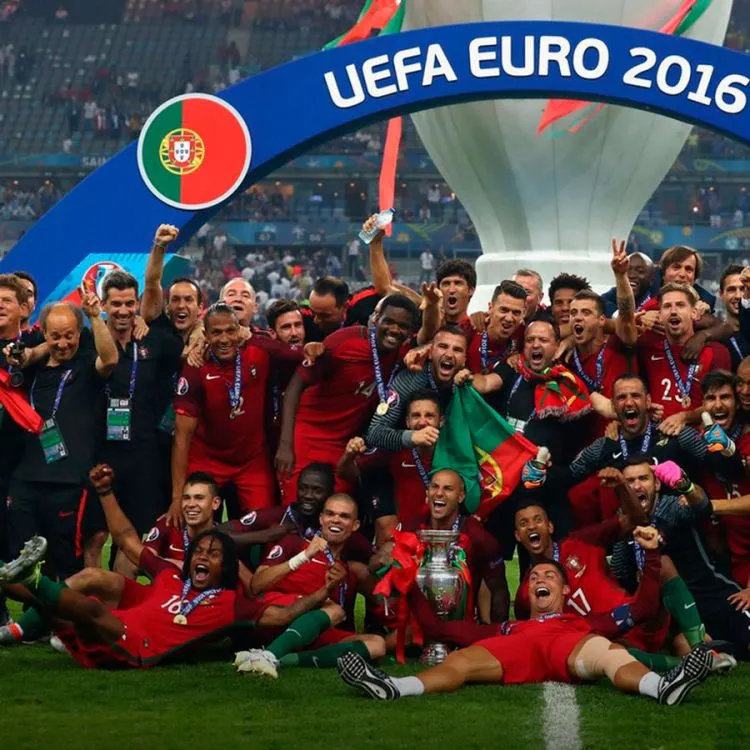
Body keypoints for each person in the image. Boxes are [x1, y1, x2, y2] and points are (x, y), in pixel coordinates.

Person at [0, 480, 345, 669]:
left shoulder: (229, 603)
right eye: (199, 552)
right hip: (111, 630)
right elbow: (129, 542)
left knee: (90, 607)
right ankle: (14, 579)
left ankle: (31, 580)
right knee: (51, 602)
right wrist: (105, 492)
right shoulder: (170, 576)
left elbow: (281, 614)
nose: (202, 557)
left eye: (212, 555)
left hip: (135, 648)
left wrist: (322, 593)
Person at [337, 540, 714, 706]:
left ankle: (661, 688)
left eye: (549, 576)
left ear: (565, 590)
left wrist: (651, 556)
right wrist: (410, 586)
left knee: (607, 652)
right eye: (533, 577)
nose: (539, 580)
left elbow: (644, 608)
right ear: (526, 593)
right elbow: (438, 631)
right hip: (515, 647)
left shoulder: (584, 620)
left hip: (568, 642)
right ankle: (394, 688)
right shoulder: (507, 627)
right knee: (461, 661)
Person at [5, 296, 117, 580]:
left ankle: (64, 623)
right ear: (44, 333)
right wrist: (28, 355)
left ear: (79, 334)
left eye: (70, 335)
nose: (63, 343)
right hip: (26, 478)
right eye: (56, 336)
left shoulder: (85, 364)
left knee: (66, 562)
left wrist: (94, 316)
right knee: (20, 560)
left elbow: (110, 358)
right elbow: (20, 357)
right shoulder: (30, 366)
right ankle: (38, 621)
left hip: (69, 481)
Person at [276, 294, 419, 503]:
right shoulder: (346, 341)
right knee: (298, 503)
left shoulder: (403, 355)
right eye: (388, 321)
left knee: (339, 507)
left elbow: (430, 333)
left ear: (410, 331)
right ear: (376, 319)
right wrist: (286, 445)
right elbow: (294, 387)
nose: (394, 330)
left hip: (346, 445)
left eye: (402, 326)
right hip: (309, 435)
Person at [169, 303, 303, 522]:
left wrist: (316, 347)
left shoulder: (258, 352)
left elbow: (293, 355)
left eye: (231, 331)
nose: (224, 339)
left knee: (265, 523)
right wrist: (177, 497)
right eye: (216, 333)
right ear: (205, 335)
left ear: (240, 329)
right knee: (191, 520)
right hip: (207, 457)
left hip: (251, 459)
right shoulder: (196, 366)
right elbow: (182, 436)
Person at [611, 458, 750, 660]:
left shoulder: (673, 506)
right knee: (682, 647)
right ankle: (727, 652)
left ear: (657, 484)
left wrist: (685, 485)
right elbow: (620, 572)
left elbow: (701, 504)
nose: (637, 485)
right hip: (684, 615)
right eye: (630, 481)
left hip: (718, 598)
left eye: (643, 478)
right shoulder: (621, 524)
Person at [92, 269, 183, 576]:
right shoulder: (86, 341)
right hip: (98, 453)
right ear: (104, 304)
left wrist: (197, 340)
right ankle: (88, 609)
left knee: (133, 535)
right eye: (116, 303)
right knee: (94, 534)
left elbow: (190, 344)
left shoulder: (153, 340)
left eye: (130, 304)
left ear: (137, 304)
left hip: (144, 454)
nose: (123, 311)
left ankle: (120, 610)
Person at [237, 494, 384, 677]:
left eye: (344, 516)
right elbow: (256, 585)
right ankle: (269, 655)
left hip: (310, 631)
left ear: (355, 525)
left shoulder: (346, 572)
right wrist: (304, 556)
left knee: (377, 644)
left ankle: (279, 659)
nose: (336, 520)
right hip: (276, 617)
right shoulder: (295, 545)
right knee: (334, 610)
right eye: (330, 514)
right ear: (321, 519)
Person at [339, 389, 442, 543]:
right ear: (407, 422)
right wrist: (349, 455)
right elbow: (347, 474)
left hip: (438, 538)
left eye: (429, 416)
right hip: (400, 542)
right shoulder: (393, 450)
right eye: (416, 416)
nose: (422, 422)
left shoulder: (451, 455)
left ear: (441, 421)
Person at [630, 283, 730, 418]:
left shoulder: (717, 352)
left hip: (700, 434)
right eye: (667, 306)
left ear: (694, 313)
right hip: (656, 433)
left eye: (680, 305)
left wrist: (685, 418)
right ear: (660, 315)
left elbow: (723, 404)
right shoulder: (646, 350)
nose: (673, 311)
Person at [364, 326, 467, 452]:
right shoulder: (408, 382)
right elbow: (375, 433)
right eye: (443, 346)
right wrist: (412, 437)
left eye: (457, 350)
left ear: (464, 360)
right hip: (402, 458)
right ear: (430, 352)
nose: (449, 354)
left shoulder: (466, 385)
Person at [466, 281, 526, 374]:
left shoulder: (525, 335)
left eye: (516, 313)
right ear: (490, 308)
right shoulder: (471, 328)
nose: (509, 318)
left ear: (523, 314)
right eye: (503, 310)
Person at [601, 252, 656, 316]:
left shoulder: (657, 305)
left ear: (652, 279)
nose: (631, 275)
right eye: (627, 270)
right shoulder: (609, 297)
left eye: (640, 271)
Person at [717, 264, 749, 370]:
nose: (738, 296)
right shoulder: (717, 336)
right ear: (721, 294)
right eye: (731, 289)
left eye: (743, 289)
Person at [436, 259, 475, 329]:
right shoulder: (429, 332)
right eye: (446, 284)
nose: (451, 290)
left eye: (458, 283)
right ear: (438, 290)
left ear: (470, 290)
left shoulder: (478, 331)